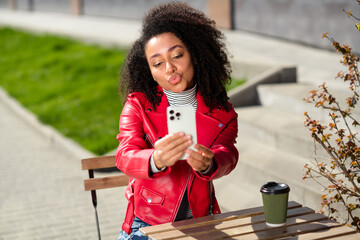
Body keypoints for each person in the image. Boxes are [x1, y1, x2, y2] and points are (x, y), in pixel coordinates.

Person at [116, 2, 239, 239]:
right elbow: (124, 154)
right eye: (158, 63)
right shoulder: (138, 105)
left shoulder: (222, 112)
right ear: (148, 70)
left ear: (195, 53)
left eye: (177, 55)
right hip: (147, 223)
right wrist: (156, 159)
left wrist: (211, 163)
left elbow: (229, 153)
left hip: (200, 221)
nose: (170, 68)